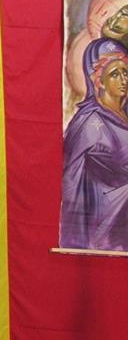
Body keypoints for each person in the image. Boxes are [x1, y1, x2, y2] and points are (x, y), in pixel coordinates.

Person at [61, 38, 128, 250]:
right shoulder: (90, 123)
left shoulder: (124, 115)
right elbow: (71, 181)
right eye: (114, 74)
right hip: (105, 228)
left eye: (126, 72)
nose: (123, 80)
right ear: (98, 81)